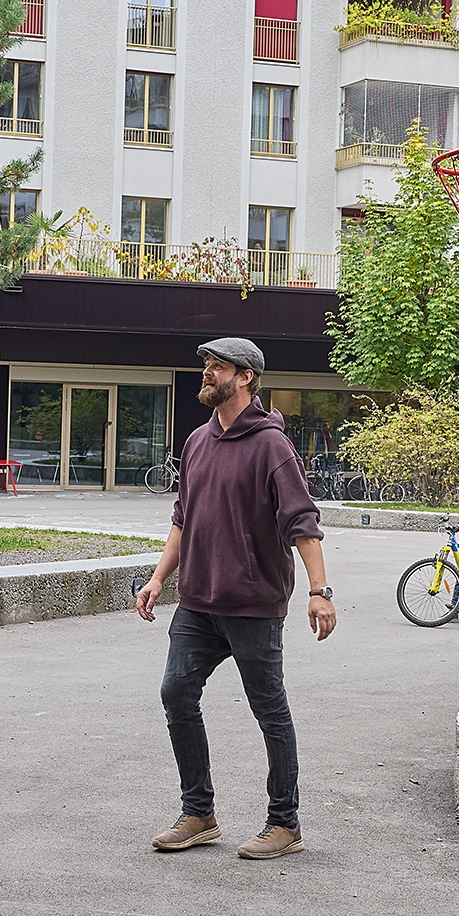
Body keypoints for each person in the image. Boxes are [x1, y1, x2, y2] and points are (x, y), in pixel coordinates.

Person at [133, 337, 334, 860]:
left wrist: (319, 591)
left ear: (245, 377)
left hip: (252, 605)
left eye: (217, 366)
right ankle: (199, 812)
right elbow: (183, 519)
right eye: (206, 364)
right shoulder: (197, 441)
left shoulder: (272, 447)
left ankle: (284, 823)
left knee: (270, 712)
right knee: (176, 694)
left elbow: (302, 522)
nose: (207, 372)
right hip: (198, 603)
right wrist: (158, 578)